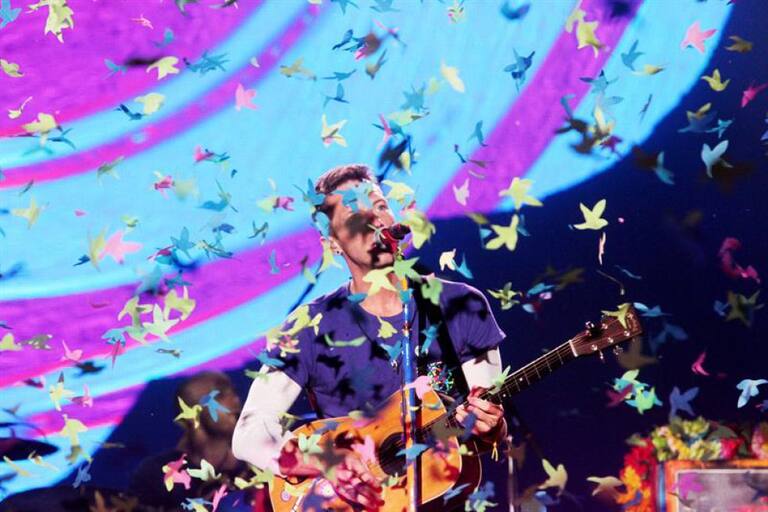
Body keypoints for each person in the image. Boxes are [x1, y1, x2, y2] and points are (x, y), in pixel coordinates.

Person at [232, 164, 507, 511]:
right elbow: (249, 433)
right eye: (355, 215)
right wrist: (324, 462)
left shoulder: (461, 305)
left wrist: (491, 427)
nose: (375, 219)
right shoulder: (309, 326)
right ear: (332, 242)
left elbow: (489, 428)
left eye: (379, 206)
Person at [130, 371, 259, 511]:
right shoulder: (156, 474)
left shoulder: (256, 458)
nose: (235, 399)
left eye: (233, 391)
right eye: (219, 395)